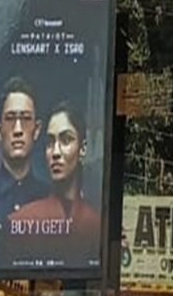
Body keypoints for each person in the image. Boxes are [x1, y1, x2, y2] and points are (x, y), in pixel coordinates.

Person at [6, 101, 102, 270]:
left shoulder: (97, 226)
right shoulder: (21, 221)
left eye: (66, 140)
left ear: (82, 149)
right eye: (50, 143)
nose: (55, 153)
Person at [0, 76, 49, 245]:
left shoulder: (50, 198)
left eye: (25, 119)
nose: (18, 129)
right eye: (10, 119)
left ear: (37, 130)